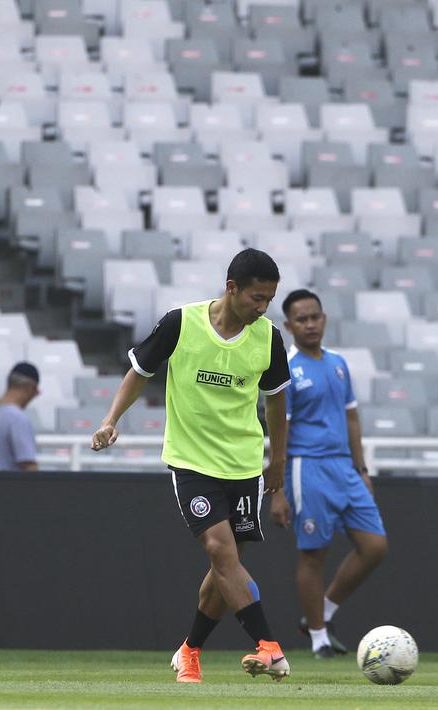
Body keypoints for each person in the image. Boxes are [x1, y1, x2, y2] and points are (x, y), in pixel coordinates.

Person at [91, 248, 292, 684]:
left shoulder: (269, 338)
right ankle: (268, 645)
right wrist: (110, 421)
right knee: (221, 552)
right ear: (231, 287)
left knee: (227, 567)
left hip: (242, 464)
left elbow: (276, 399)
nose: (262, 308)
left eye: (269, 300)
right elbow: (140, 371)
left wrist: (278, 460)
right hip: (191, 461)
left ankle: (190, 650)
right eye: (257, 297)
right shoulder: (180, 323)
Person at [271, 289, 388, 659]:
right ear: (289, 326)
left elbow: (351, 416)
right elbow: (280, 428)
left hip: (344, 468)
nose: (310, 324)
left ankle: (322, 613)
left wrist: (362, 467)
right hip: (307, 466)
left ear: (324, 319)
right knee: (313, 554)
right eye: (301, 319)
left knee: (375, 546)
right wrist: (277, 489)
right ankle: (319, 637)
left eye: (315, 317)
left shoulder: (338, 363)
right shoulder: (286, 369)